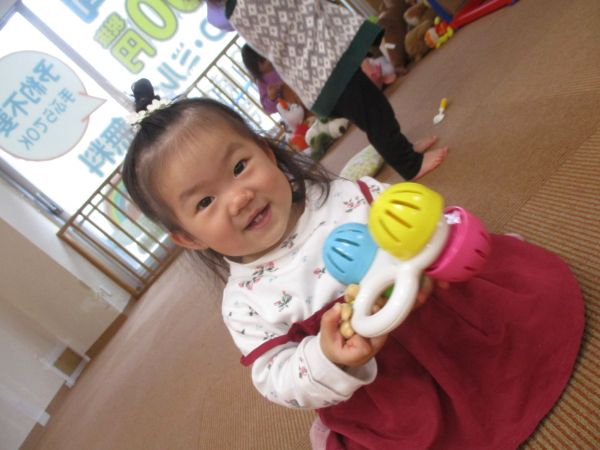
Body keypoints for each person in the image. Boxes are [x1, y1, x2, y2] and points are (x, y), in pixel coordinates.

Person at [122, 90, 584, 450]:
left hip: (449, 319)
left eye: (240, 166)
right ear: (188, 237)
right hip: (392, 383)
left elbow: (408, 219)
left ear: (267, 152)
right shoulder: (245, 304)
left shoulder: (343, 194)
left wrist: (429, 248)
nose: (239, 197)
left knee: (523, 303)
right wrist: (328, 357)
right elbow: (276, 377)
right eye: (205, 201)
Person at [207, 0, 448, 181]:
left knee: (373, 110)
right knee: (376, 114)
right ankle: (410, 165)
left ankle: (404, 150)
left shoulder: (236, 10)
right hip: (323, 67)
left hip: (320, 66)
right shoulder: (245, 6)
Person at [241, 44, 306, 115]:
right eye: (262, 60)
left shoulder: (279, 62)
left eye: (264, 54)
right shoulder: (262, 82)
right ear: (255, 67)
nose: (266, 59)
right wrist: (271, 97)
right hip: (295, 110)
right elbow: (268, 108)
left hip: (305, 92)